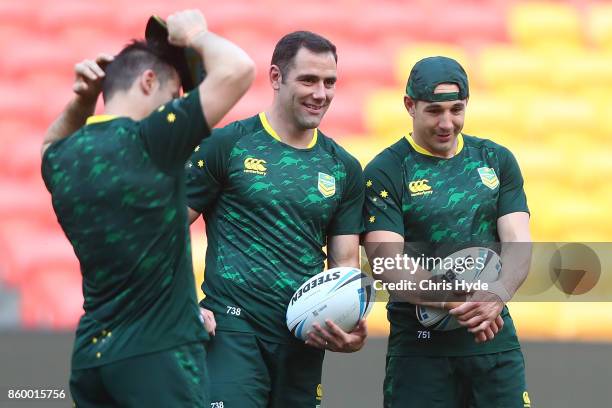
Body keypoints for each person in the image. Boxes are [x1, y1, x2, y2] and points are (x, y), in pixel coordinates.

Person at [41, 10, 255, 408]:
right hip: (158, 360)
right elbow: (238, 69)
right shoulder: (154, 140)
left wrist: (82, 100)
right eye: (173, 97)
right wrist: (196, 35)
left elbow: (47, 146)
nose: (176, 106)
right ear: (148, 81)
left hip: (91, 359)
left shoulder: (64, 158)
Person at [186, 31, 367, 408]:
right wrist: (182, 302)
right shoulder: (228, 145)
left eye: (329, 82)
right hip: (233, 327)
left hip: (303, 337)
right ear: (275, 78)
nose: (321, 93)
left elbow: (345, 266)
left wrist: (349, 326)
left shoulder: (344, 169)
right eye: (308, 80)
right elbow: (164, 230)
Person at [362, 56, 532, 408]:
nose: (447, 123)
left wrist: (498, 292)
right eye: (434, 111)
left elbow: (518, 242)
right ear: (410, 105)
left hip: (493, 342)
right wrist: (459, 298)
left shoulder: (495, 160)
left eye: (456, 109)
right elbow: (387, 264)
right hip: (421, 353)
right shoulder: (387, 170)